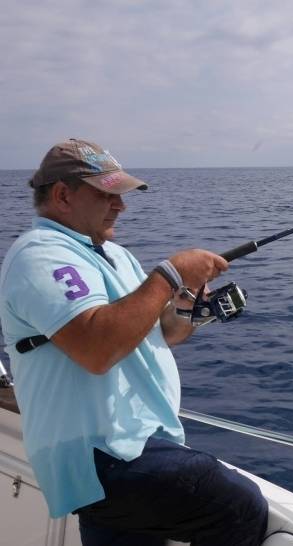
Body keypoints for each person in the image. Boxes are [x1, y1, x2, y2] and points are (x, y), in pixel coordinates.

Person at [0, 139, 269, 546]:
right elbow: (97, 348)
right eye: (107, 195)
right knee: (238, 505)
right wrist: (170, 274)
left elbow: (161, 333)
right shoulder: (40, 254)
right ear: (62, 195)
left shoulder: (115, 255)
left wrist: (184, 306)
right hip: (100, 455)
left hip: (137, 442)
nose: (120, 206)